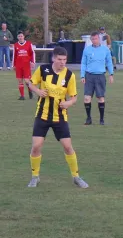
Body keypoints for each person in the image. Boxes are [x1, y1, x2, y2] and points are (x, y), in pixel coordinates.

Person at [24, 46, 88, 188]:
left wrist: (68, 103)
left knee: (67, 146)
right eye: (59, 59)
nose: (62, 62)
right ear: (53, 58)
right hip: (42, 115)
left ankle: (76, 176)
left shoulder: (69, 75)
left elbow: (74, 98)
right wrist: (38, 91)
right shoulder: (43, 70)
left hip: (60, 117)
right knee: (36, 146)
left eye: (64, 60)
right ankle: (35, 176)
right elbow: (30, 83)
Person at [81, 32, 114, 125]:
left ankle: (101, 119)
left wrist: (111, 74)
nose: (94, 40)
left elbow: (109, 62)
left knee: (100, 98)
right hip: (89, 76)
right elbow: (83, 63)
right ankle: (88, 118)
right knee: (87, 98)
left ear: (98, 39)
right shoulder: (87, 50)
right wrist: (82, 76)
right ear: (90, 40)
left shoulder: (105, 50)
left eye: (96, 39)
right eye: (92, 39)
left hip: (100, 76)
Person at [12, 31, 35, 100]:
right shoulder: (15, 45)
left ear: (24, 36)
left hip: (26, 65)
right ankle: (22, 96)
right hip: (18, 65)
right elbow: (14, 56)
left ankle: (30, 91)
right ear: (17, 37)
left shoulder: (28, 44)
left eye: (21, 36)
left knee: (27, 81)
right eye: (19, 36)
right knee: (20, 80)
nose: (20, 37)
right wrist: (14, 65)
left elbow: (32, 53)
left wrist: (33, 62)